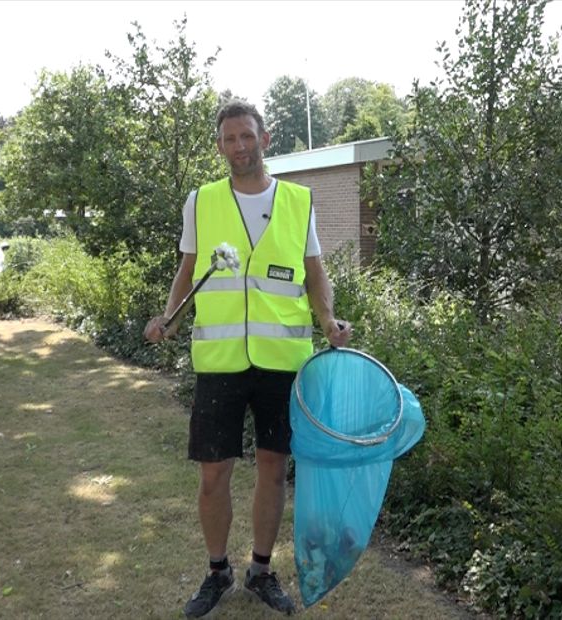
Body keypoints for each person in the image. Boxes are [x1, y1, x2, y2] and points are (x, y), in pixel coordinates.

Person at [144, 99, 352, 617]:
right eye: (230, 139)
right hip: (219, 361)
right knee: (213, 475)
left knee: (272, 469)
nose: (240, 146)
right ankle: (217, 572)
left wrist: (328, 321)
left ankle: (261, 570)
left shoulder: (298, 202)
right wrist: (168, 317)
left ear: (265, 138)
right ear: (219, 146)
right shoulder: (202, 201)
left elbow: (314, 272)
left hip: (283, 361)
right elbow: (188, 269)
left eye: (247, 136)